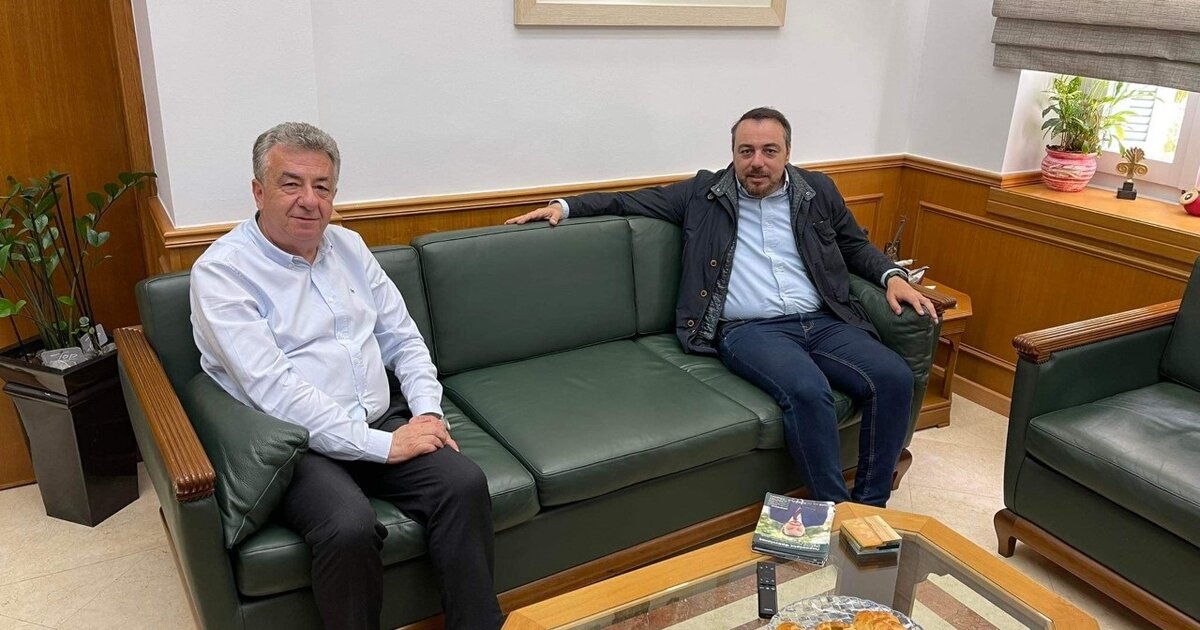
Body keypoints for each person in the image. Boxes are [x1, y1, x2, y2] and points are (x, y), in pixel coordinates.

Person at [506, 107, 937, 507]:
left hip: (824, 320)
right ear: (732, 153)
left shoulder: (817, 190)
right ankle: (834, 511)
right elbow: (627, 201)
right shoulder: (703, 194)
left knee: (894, 377)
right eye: (746, 151)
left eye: (769, 151)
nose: (757, 162)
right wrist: (564, 206)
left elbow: (853, 244)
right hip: (751, 330)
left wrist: (891, 276)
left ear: (788, 153)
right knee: (808, 391)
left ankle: (871, 509)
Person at [191, 122, 502, 629]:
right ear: (258, 191)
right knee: (348, 525)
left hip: (380, 416)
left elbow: (403, 339)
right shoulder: (222, 272)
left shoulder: (350, 247)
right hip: (298, 445)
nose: (308, 201)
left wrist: (426, 412)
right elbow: (273, 390)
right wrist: (386, 447)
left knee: (463, 482)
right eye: (291, 184)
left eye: (322, 187)